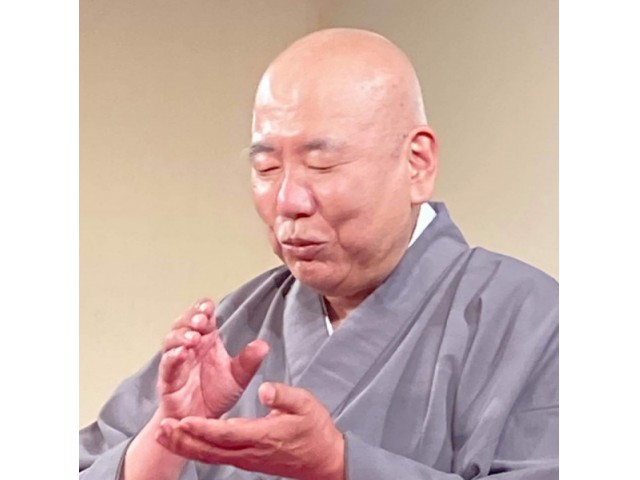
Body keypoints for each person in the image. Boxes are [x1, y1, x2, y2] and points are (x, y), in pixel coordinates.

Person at [80, 28, 558, 480]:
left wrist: (341, 465)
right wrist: (167, 439)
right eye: (267, 167)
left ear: (417, 164)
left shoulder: (535, 321)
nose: (288, 201)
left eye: (321, 164)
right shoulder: (234, 328)